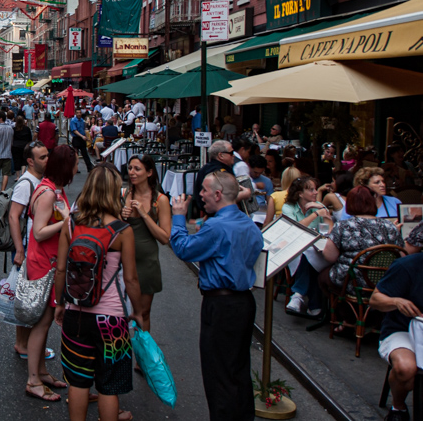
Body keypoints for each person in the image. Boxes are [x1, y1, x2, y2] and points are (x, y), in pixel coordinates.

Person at [169, 172, 264, 421]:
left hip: (221, 304)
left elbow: (183, 248)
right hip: (243, 301)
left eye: (204, 191)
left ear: (218, 195)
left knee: (218, 373)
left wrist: (178, 217)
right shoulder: (248, 224)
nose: (201, 195)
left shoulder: (217, 226)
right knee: (238, 368)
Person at [55, 165, 144, 421]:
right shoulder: (122, 231)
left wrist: (60, 302)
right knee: (109, 384)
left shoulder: (71, 224)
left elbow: (61, 270)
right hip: (113, 320)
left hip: (77, 313)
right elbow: (131, 278)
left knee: (79, 381)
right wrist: (137, 311)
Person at [23, 145, 77, 403]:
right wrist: (67, 221)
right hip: (44, 263)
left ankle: (41, 371)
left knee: (44, 322)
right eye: (74, 163)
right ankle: (33, 380)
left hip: (49, 261)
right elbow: (39, 232)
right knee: (42, 322)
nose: (78, 168)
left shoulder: (53, 187)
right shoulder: (47, 193)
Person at [371, 236, 423, 421]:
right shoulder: (408, 265)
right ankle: (398, 407)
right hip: (404, 328)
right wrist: (396, 301)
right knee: (406, 368)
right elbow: (375, 300)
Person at [321, 185, 403, 297]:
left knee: (322, 277)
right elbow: (401, 256)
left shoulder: (342, 226)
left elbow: (330, 257)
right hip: (385, 281)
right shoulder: (390, 226)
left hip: (353, 281)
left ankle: (340, 311)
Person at [120, 154, 171, 332]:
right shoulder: (123, 193)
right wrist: (121, 217)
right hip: (121, 260)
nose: (132, 173)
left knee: (143, 312)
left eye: (137, 169)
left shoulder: (160, 200)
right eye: (130, 168)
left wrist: (144, 214)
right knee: (119, 312)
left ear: (149, 172)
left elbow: (164, 238)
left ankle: (141, 359)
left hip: (146, 263)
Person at [9, 142, 49, 360]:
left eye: (47, 155)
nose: (47, 160)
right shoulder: (26, 183)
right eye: (42, 157)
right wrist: (19, 250)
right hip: (28, 247)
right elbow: (13, 215)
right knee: (28, 297)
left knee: (27, 296)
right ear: (30, 161)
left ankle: (23, 344)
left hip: (34, 246)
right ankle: (23, 345)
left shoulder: (39, 180)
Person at [282, 176, 334, 316]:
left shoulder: (318, 206)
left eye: (316, 189)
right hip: (294, 249)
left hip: (315, 249)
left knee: (310, 256)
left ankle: (298, 294)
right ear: (300, 193)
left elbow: (330, 231)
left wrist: (324, 211)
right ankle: (314, 304)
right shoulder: (288, 207)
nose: (316, 192)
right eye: (311, 190)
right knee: (306, 256)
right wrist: (316, 214)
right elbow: (294, 229)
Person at [0, 111, 14, 192]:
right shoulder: (10, 128)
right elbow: (11, 141)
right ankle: (3, 190)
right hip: (7, 153)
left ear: (0, 118)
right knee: (6, 174)